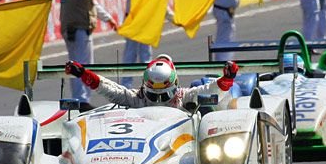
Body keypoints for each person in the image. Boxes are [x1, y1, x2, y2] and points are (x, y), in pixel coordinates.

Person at [60, 0, 133, 111]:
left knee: (76, 64)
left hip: (73, 29)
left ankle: (79, 99)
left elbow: (93, 5)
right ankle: (82, 100)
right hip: (79, 30)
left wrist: (107, 18)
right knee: (83, 65)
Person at [65, 55, 239, 110]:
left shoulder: (185, 96)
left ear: (174, 85)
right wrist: (83, 74)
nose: (158, 100)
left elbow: (211, 90)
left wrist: (227, 79)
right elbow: (109, 88)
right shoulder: (137, 97)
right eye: (153, 95)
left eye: (163, 95)